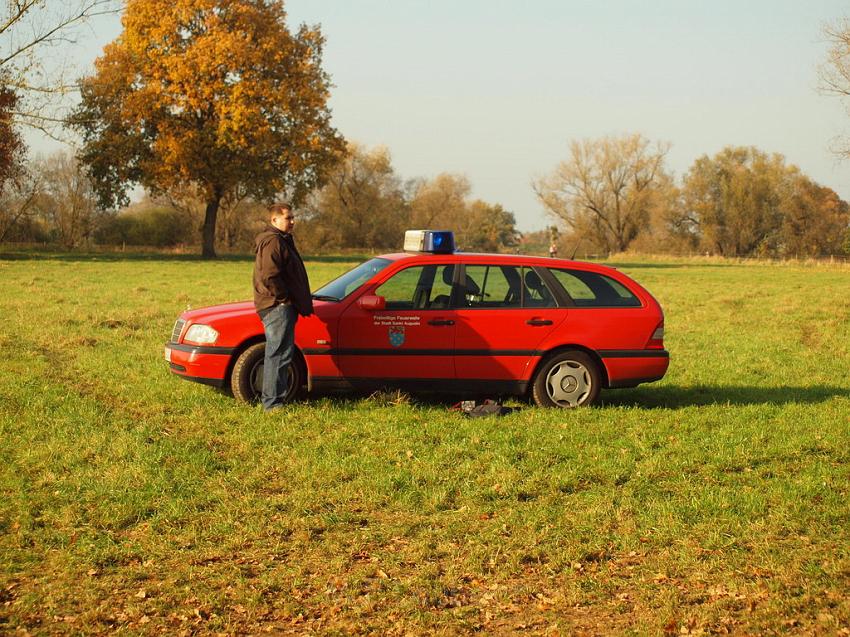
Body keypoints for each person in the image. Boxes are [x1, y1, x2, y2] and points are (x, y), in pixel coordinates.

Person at [252, 202, 313, 411]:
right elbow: (269, 275)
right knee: (279, 354)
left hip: (277, 305)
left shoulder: (280, 240)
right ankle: (272, 404)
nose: (293, 221)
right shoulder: (273, 242)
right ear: (274, 220)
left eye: (293, 217)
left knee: (279, 353)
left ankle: (273, 401)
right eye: (288, 218)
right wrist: (284, 298)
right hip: (277, 306)